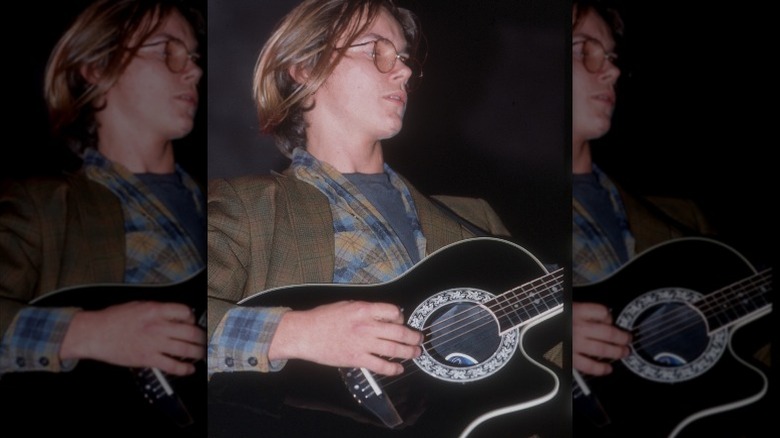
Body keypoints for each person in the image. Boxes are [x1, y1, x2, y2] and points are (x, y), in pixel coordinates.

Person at [207, 1, 565, 437]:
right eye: (376, 50)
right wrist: (296, 332)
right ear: (303, 66)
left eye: (404, 59)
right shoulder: (244, 207)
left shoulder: (476, 221)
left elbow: (551, 371)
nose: (403, 73)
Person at [0, 0, 206, 434]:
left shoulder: (232, 206)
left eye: (193, 57)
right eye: (168, 51)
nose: (193, 72)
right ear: (96, 67)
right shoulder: (42, 206)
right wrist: (84, 332)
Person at [570, 1, 770, 437]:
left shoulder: (684, 221)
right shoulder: (495, 217)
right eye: (585, 49)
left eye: (612, 57)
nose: (612, 72)